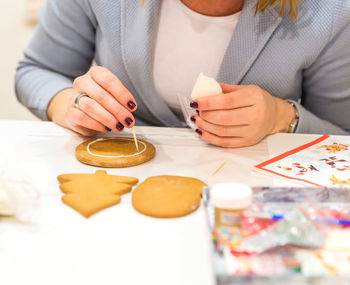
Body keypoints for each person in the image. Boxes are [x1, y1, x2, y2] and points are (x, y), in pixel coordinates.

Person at [15, 0, 350, 148]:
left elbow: (341, 137)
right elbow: (36, 71)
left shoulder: (331, 11)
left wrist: (282, 116)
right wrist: (69, 105)